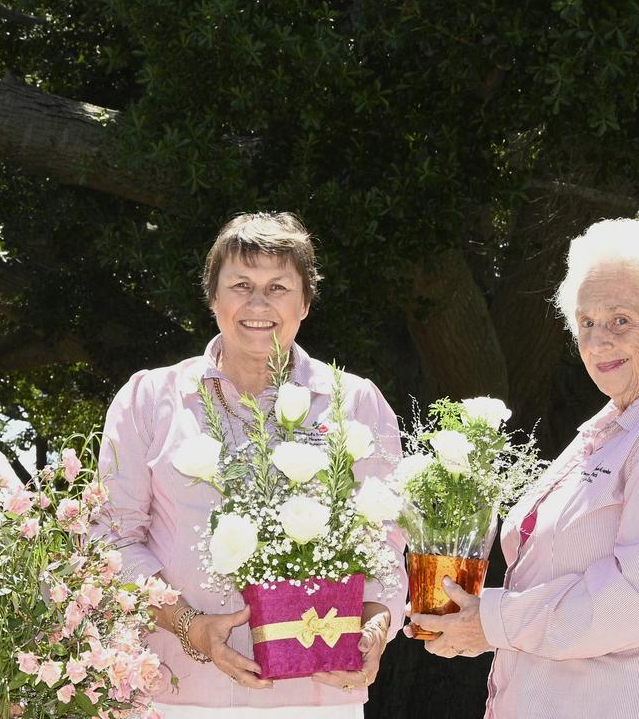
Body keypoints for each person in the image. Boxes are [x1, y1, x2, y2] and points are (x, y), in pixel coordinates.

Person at [410, 218, 639, 718]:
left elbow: (636, 601)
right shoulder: (622, 421)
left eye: (621, 320)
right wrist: (481, 625)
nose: (598, 342)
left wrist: (493, 622)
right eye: (586, 322)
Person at [98, 212, 408, 718]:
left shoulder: (356, 403)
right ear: (214, 298)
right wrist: (189, 626)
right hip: (177, 695)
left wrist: (375, 625)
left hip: (316, 694)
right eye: (240, 285)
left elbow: (387, 540)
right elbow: (112, 538)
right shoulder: (149, 398)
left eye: (278, 287)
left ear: (305, 303)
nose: (257, 304)